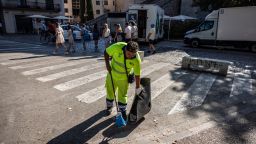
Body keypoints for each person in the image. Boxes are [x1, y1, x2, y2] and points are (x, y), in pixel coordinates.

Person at [104, 41, 142, 122]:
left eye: (133, 55)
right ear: (125, 50)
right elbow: (106, 52)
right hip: (112, 75)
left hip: (124, 78)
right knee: (110, 92)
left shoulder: (136, 60)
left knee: (123, 95)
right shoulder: (117, 47)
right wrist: (107, 65)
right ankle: (109, 107)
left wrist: (138, 87)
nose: (130, 57)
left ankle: (122, 111)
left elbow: (137, 75)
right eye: (128, 54)